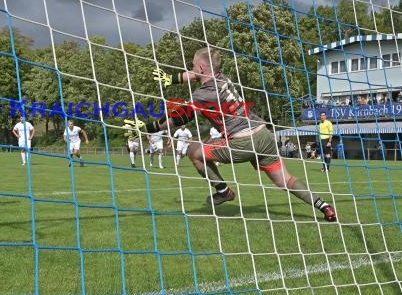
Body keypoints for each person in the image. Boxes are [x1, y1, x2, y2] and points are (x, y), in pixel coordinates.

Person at [139, 47, 336, 222]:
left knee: (193, 151)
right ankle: (325, 207)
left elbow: (176, 119)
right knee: (285, 180)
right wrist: (171, 79)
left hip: (243, 142)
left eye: (193, 65)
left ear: (200, 68)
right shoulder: (223, 78)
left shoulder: (202, 95)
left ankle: (224, 191)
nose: (191, 70)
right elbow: (195, 74)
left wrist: (144, 127)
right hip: (264, 135)